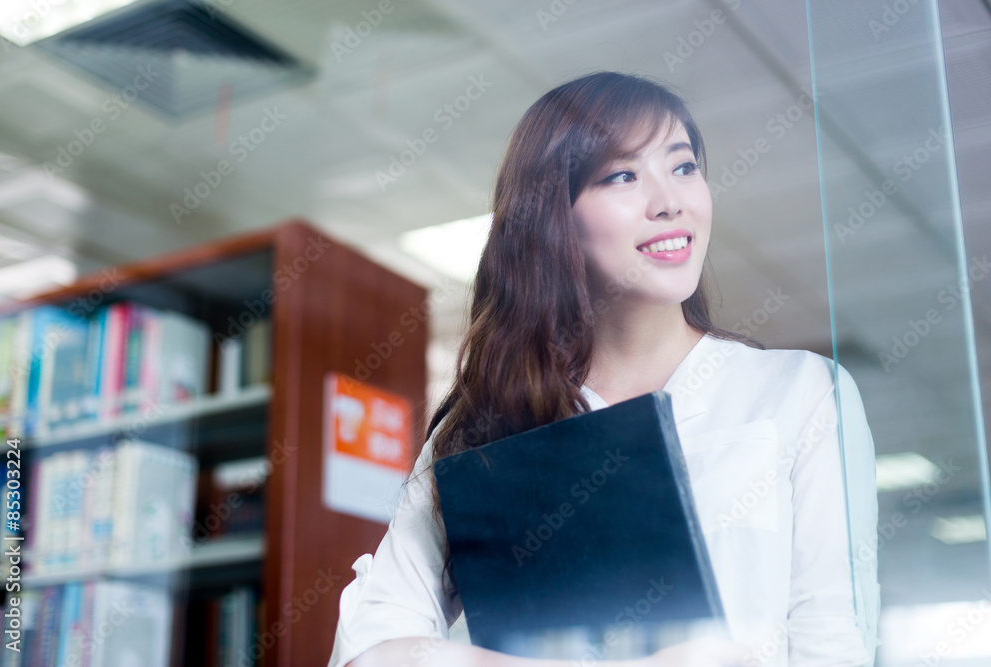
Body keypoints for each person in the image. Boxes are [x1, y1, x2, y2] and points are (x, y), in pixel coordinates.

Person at [328, 71, 879, 667]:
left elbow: (834, 644)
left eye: (684, 166)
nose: (670, 200)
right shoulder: (487, 425)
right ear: (553, 220)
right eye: (621, 175)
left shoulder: (800, 392)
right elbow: (367, 649)